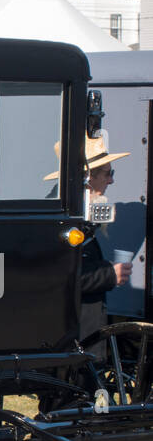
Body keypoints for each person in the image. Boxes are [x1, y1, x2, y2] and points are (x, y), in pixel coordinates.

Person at [76, 133, 132, 345]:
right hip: (76, 337)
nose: (111, 180)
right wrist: (109, 274)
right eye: (108, 174)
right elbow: (64, 276)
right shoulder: (69, 221)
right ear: (88, 178)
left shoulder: (80, 216)